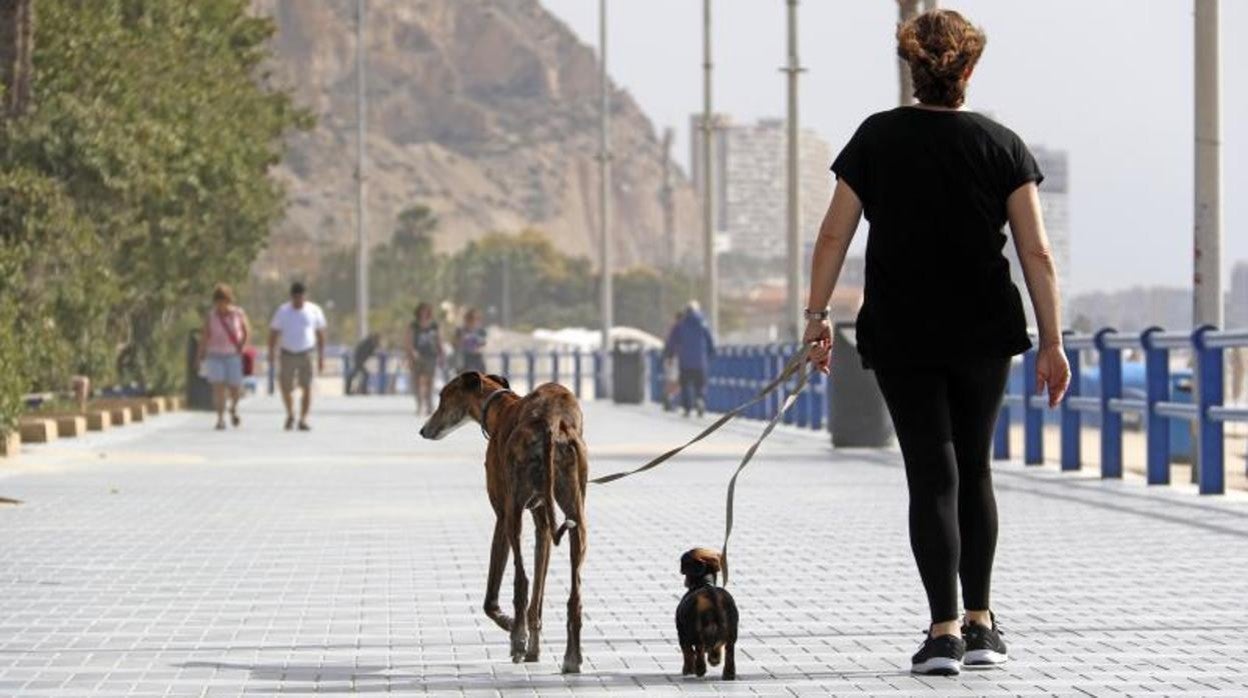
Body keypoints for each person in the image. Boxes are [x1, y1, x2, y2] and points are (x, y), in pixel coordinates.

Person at [801, 9, 1070, 676]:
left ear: (912, 70)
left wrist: (817, 316)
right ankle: (982, 624)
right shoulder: (1003, 145)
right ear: (969, 71)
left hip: (901, 328)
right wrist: (1053, 341)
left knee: (931, 474)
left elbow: (834, 236)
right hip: (985, 328)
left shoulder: (876, 138)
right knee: (974, 468)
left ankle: (942, 632)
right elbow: (1036, 251)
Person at [268, 282, 327, 431]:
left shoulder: (314, 310)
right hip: (287, 353)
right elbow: (274, 333)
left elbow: (320, 335)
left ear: (305, 296)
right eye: (295, 297)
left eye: (300, 297)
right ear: (291, 297)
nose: (298, 300)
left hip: (306, 353)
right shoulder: (283, 311)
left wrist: (321, 356)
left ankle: (303, 418)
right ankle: (290, 413)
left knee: (306, 386)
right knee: (285, 386)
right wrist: (271, 352)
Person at [196, 283, 251, 430]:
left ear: (229, 300)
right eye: (219, 301)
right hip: (215, 355)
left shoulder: (238, 313)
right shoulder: (211, 316)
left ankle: (234, 408)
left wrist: (243, 345)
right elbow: (205, 336)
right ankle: (220, 419)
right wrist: (200, 355)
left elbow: (246, 331)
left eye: (225, 301)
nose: (222, 305)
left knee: (235, 387)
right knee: (218, 388)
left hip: (233, 354)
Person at [665, 301, 715, 417]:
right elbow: (709, 340)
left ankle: (687, 407)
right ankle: (700, 399)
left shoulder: (681, 324)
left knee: (685, 384)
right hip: (700, 361)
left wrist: (670, 354)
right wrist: (711, 353)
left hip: (685, 361)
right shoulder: (703, 323)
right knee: (700, 384)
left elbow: (672, 341)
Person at [406, 302, 444, 415]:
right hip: (417, 356)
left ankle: (429, 405)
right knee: (416, 382)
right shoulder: (414, 325)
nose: (424, 313)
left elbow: (439, 340)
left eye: (426, 311)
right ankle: (419, 404)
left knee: (430, 382)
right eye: (422, 311)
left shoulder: (434, 326)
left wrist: (441, 353)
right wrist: (411, 352)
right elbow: (408, 340)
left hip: (431, 356)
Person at [661, 311, 684, 412]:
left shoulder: (674, 328)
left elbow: (669, 343)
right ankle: (670, 400)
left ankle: (669, 399)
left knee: (671, 380)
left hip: (671, 357)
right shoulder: (680, 328)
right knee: (675, 381)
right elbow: (673, 344)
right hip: (675, 357)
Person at [454, 307, 487, 374]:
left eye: (477, 319)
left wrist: (477, 342)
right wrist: (462, 340)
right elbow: (456, 343)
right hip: (465, 357)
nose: (474, 321)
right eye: (472, 318)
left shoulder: (480, 330)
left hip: (477, 356)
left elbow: (483, 343)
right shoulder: (460, 330)